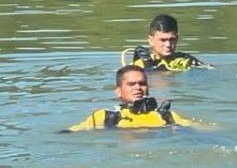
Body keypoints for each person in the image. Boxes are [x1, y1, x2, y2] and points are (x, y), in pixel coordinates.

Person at [66, 65, 198, 131]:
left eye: (142, 83)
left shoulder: (166, 116)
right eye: (131, 84)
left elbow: (199, 128)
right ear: (118, 91)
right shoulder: (104, 117)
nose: (138, 88)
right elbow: (70, 133)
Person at [129, 13, 212, 71]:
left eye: (172, 39)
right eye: (163, 40)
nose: (168, 45)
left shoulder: (186, 60)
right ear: (151, 40)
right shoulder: (139, 66)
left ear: (177, 39)